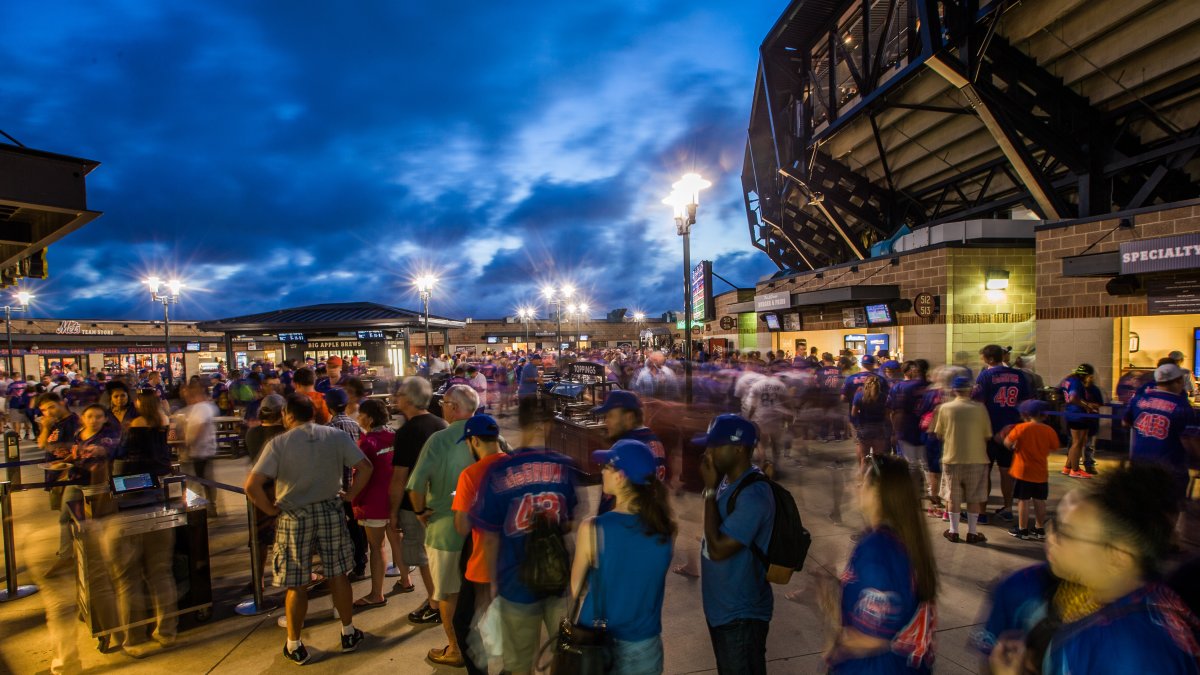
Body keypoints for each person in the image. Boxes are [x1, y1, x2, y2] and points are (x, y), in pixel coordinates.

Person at [987, 465, 1200, 675]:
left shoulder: (1127, 649)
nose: (1051, 537)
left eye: (1066, 533)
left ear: (1117, 556)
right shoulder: (1143, 604)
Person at [244, 394, 372, 666]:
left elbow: (252, 485)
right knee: (339, 574)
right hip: (330, 510)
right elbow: (365, 467)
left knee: (297, 583)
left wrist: (269, 509)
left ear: (287, 415)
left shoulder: (279, 443)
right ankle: (348, 632)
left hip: (294, 515)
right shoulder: (334, 436)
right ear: (313, 413)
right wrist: (350, 496)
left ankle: (295, 644)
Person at [472, 401, 578, 675]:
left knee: (518, 664)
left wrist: (492, 586)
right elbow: (570, 523)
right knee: (564, 656)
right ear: (549, 425)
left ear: (520, 425)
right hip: (558, 579)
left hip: (514, 582)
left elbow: (490, 537)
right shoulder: (564, 467)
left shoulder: (498, 473)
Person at [819, 454, 937, 673]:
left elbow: (870, 637)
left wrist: (834, 642)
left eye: (861, 482)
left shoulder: (878, 548)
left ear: (879, 492)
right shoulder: (902, 539)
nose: (854, 487)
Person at [570, 439, 675, 674]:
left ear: (620, 476)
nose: (602, 471)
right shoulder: (666, 528)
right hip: (644, 645)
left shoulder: (593, 528)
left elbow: (577, 589)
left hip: (596, 641)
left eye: (606, 466)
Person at [693, 414, 774, 674]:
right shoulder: (727, 481)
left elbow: (718, 549)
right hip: (722, 608)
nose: (708, 452)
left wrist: (707, 490)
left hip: (741, 615)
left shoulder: (754, 494)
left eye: (715, 445)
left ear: (738, 449)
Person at [406, 384, 479, 667]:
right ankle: (478, 644)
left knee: (449, 593)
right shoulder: (489, 434)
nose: (442, 408)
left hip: (446, 529)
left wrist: (421, 510)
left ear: (454, 407)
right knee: (480, 592)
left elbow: (415, 486)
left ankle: (456, 649)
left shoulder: (439, 439)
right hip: (483, 529)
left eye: (445, 404)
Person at [451, 413, 507, 675]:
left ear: (473, 441)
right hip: (514, 560)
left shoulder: (470, 475)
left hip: (484, 564)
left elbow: (461, 526)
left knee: (464, 624)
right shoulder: (515, 465)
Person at [390, 376, 447, 626]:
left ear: (410, 399)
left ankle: (435, 603)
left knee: (424, 557)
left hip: (416, 504)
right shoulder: (442, 424)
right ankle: (442, 598)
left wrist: (393, 512)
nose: (396, 398)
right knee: (439, 554)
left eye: (400, 394)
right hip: (443, 500)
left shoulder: (406, 432)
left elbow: (399, 478)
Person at [350, 399, 403, 609]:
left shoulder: (366, 442)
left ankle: (376, 594)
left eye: (361, 415)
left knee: (377, 546)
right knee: (396, 539)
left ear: (369, 419)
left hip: (373, 501)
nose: (358, 418)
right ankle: (405, 579)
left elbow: (363, 472)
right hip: (394, 499)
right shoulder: (395, 436)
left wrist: (351, 495)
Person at [1124, 363, 1197, 510]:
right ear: (1178, 382)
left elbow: (1126, 422)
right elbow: (1189, 440)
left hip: (1140, 465)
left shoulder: (1140, 399)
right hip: (1169, 470)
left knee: (1141, 509)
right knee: (1168, 511)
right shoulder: (1182, 407)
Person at [974, 344, 1032, 522]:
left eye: (983, 357)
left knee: (985, 470)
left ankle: (982, 512)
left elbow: (979, 403)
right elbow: (1026, 402)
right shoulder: (1018, 375)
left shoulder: (985, 375)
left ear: (990, 359)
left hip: (989, 430)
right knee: (1007, 471)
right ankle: (1008, 508)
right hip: (1010, 430)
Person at [933, 376, 992, 544]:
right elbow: (987, 435)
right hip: (977, 458)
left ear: (953, 390)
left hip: (952, 458)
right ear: (970, 390)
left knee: (953, 497)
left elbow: (939, 433)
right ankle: (973, 532)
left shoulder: (945, 408)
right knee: (974, 497)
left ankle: (953, 531)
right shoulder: (980, 408)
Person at [244, 393, 286, 598]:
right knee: (286, 535)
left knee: (258, 538)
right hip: (282, 489)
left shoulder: (252, 434)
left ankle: (258, 578)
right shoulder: (287, 433)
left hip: (257, 490)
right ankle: (287, 574)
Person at [326, 387, 367, 579]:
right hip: (357, 483)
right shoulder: (355, 425)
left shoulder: (328, 429)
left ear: (329, 406)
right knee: (358, 525)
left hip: (338, 486)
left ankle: (349, 564)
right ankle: (361, 561)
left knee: (343, 528)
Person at [1003, 400, 1059, 540]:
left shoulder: (1021, 428)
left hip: (1023, 471)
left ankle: (1023, 529)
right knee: (1040, 500)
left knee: (1023, 500)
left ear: (1026, 414)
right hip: (1040, 471)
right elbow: (1054, 447)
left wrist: (1014, 447)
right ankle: (1039, 529)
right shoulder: (1049, 430)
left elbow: (1007, 442)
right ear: (1043, 415)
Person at [180, 384, 219, 517]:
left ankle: (203, 509)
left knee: (199, 482)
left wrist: (188, 442)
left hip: (201, 451)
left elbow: (199, 427)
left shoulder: (202, 408)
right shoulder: (198, 408)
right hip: (200, 451)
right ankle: (206, 507)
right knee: (203, 481)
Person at [117, 389, 173, 478]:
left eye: (137, 400)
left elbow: (131, 446)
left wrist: (126, 430)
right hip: (162, 464)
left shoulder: (137, 422)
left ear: (142, 402)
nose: (135, 402)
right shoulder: (165, 419)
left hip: (143, 468)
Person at [1060, 364, 1102, 478]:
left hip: (1071, 413)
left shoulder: (1067, 380)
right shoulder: (1076, 382)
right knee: (1077, 443)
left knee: (1078, 442)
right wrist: (1087, 405)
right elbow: (1074, 398)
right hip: (1077, 414)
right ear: (1087, 375)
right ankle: (1075, 469)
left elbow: (1060, 393)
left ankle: (1067, 467)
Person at [851, 376, 891, 473]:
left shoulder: (859, 396)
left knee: (864, 458)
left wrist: (857, 424)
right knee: (879, 458)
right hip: (879, 428)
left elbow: (853, 413)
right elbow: (887, 415)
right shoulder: (884, 397)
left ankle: (863, 482)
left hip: (864, 428)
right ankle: (879, 481)